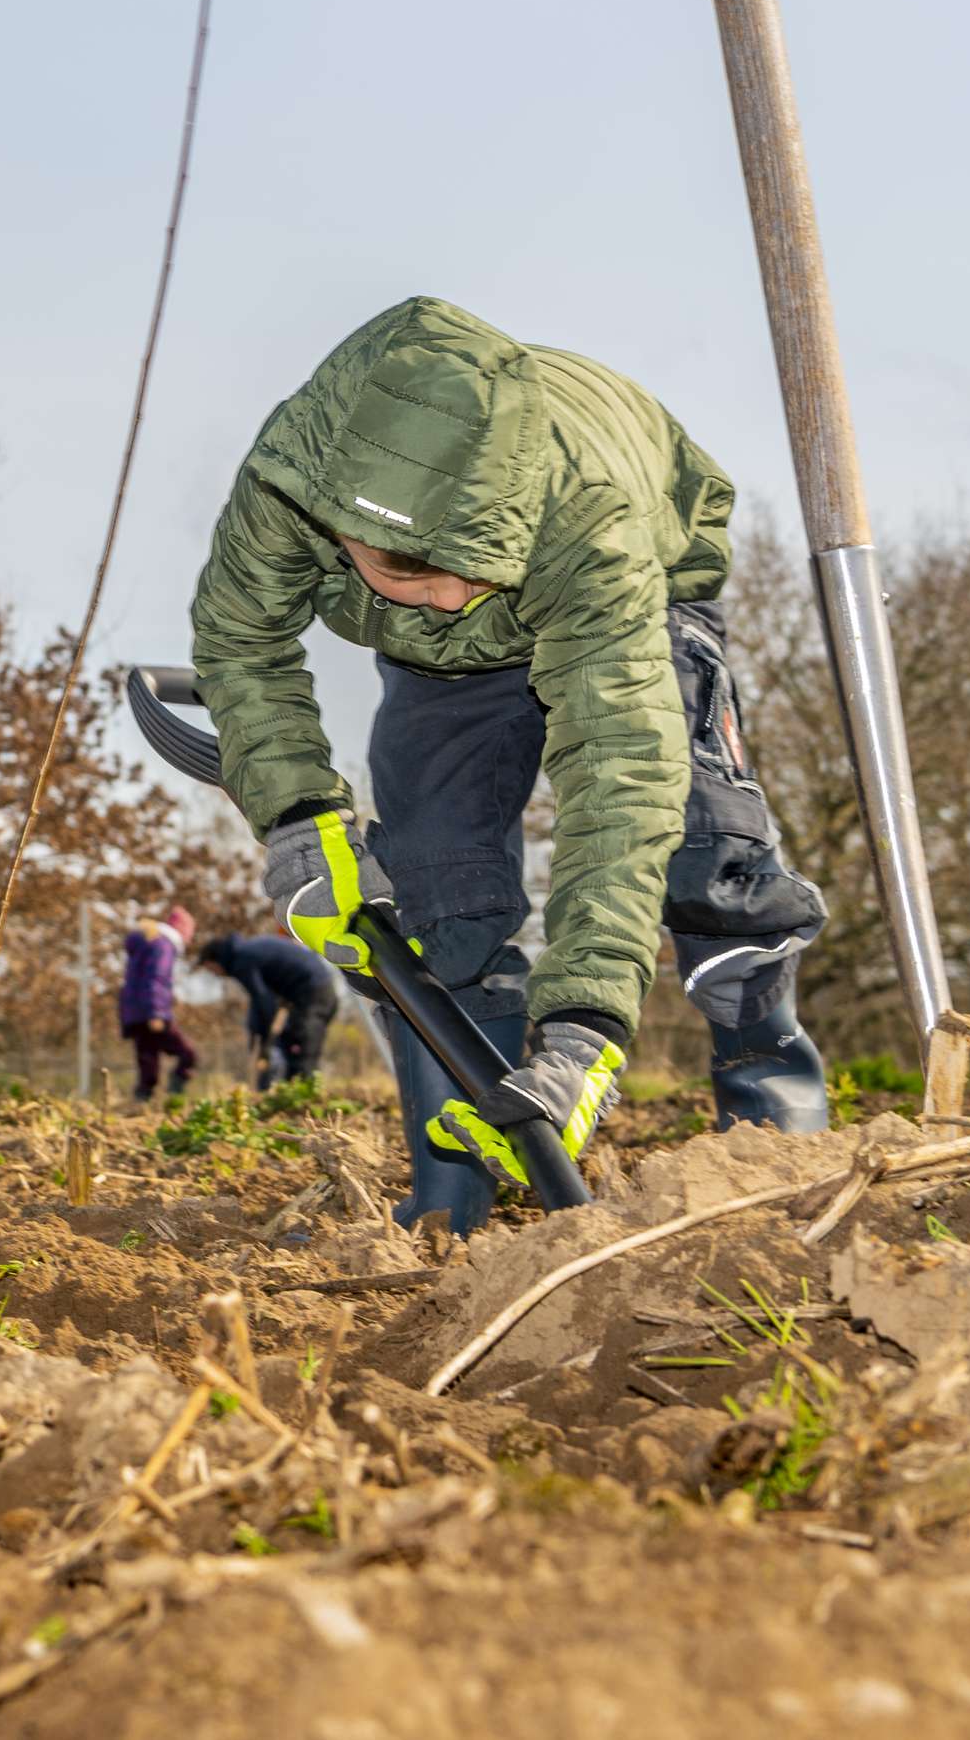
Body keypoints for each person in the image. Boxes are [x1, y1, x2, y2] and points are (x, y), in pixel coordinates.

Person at [189, 298, 831, 1235]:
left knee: (707, 856)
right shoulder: (289, 485)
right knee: (436, 890)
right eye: (412, 572)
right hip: (438, 667)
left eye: (467, 565)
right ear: (334, 525)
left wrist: (585, 1030)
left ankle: (776, 1129)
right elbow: (241, 641)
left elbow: (621, 772)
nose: (449, 597)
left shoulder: (585, 520)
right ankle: (452, 1197)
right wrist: (296, 820)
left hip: (625, 592)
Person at [198, 927, 338, 1090]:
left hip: (313, 991)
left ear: (216, 960)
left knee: (301, 1050)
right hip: (318, 990)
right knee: (294, 1043)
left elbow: (263, 1001)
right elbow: (263, 1000)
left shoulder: (243, 960)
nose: (214, 974)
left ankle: (303, 1099)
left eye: (210, 969)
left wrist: (264, 1041)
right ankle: (298, 1094)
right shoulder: (247, 950)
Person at [115, 906, 197, 1103]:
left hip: (135, 1010)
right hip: (150, 1011)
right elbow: (156, 978)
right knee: (188, 1055)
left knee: (148, 1059)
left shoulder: (150, 942)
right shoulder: (164, 945)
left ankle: (142, 1101)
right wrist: (157, 1012)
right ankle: (174, 1094)